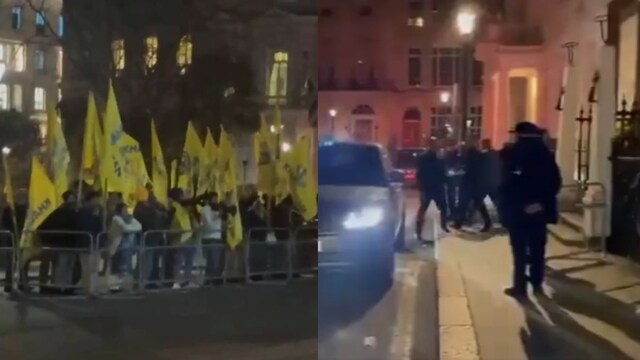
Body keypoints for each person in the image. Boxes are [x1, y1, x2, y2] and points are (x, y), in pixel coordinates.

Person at [501, 122, 561, 299]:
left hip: (518, 211)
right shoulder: (546, 155)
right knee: (537, 249)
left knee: (519, 250)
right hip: (539, 211)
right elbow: (555, 182)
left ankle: (520, 287)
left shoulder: (515, 154)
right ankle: (536, 283)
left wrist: (519, 204)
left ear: (519, 135)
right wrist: (540, 203)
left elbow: (508, 184)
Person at [37, 190, 78, 294]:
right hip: (61, 242)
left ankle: (68, 286)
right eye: (71, 199)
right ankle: (59, 286)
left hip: (71, 243)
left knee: (69, 266)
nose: (73, 202)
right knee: (61, 265)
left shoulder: (74, 212)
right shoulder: (57, 213)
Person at [453, 142, 491, 232]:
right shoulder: (480, 157)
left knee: (463, 204)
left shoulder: (468, 157)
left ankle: (459, 223)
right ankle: (487, 222)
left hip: (469, 184)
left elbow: (465, 169)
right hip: (477, 184)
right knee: (479, 205)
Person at [134, 190, 168, 288]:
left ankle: (150, 280)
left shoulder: (144, 208)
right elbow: (154, 221)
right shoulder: (147, 209)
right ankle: (147, 281)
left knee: (151, 260)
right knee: (148, 261)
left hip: (153, 237)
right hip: (151, 237)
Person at [416, 140, 449, 242]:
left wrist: (421, 187)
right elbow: (420, 174)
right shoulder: (436, 158)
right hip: (433, 187)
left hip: (431, 187)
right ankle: (442, 226)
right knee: (439, 207)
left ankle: (419, 231)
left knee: (425, 209)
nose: (437, 148)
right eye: (436, 146)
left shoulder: (427, 158)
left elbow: (419, 174)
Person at [107, 202, 142, 289]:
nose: (126, 211)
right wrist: (130, 227)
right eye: (124, 209)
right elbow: (125, 228)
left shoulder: (130, 218)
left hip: (128, 247)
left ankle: (122, 284)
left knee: (125, 266)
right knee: (116, 266)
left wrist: (130, 227)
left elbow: (139, 226)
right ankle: (113, 286)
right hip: (117, 245)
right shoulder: (116, 218)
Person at [1, 189, 28, 293]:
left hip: (22, 238)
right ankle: (8, 284)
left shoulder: (25, 209)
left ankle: (22, 283)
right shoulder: (9, 209)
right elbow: (4, 222)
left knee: (23, 262)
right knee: (10, 262)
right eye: (21, 196)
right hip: (11, 239)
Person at [200, 192, 225, 285]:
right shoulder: (206, 209)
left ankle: (213, 279)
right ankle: (210, 279)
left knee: (216, 260)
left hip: (217, 236)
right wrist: (217, 216)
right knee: (212, 261)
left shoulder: (216, 209)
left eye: (216, 199)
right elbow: (208, 224)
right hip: (209, 237)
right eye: (214, 199)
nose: (216, 201)